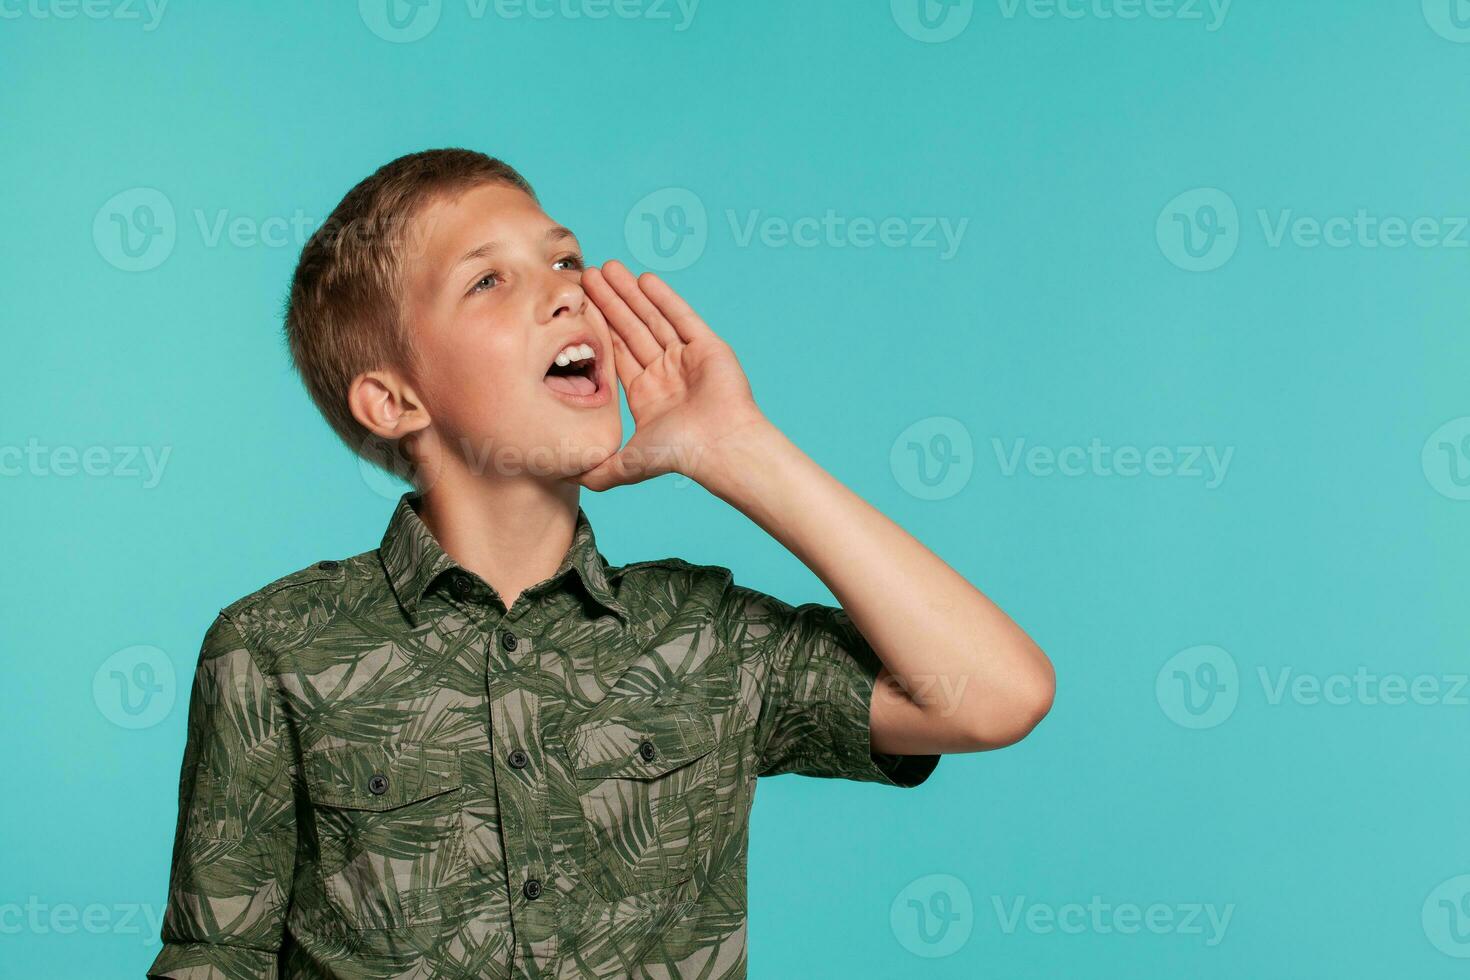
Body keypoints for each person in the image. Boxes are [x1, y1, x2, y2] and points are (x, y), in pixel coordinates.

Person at [146, 148, 1055, 979]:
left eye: (565, 259)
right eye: (489, 279)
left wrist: (740, 449)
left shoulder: (705, 637)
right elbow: (213, 960)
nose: (564, 290)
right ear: (394, 399)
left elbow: (993, 695)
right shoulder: (274, 649)